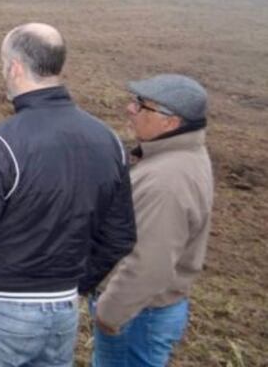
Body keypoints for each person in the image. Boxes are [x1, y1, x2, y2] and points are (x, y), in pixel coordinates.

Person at [0, 23, 136, 367]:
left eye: (2, 65)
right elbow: (119, 236)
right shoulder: (108, 141)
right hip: (61, 314)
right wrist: (72, 286)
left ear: (15, 67)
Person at [91, 74, 213, 366]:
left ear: (170, 122)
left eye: (142, 106)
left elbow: (150, 264)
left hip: (138, 315)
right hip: (146, 311)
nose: (130, 110)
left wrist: (109, 313)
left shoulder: (166, 182)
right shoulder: (180, 157)